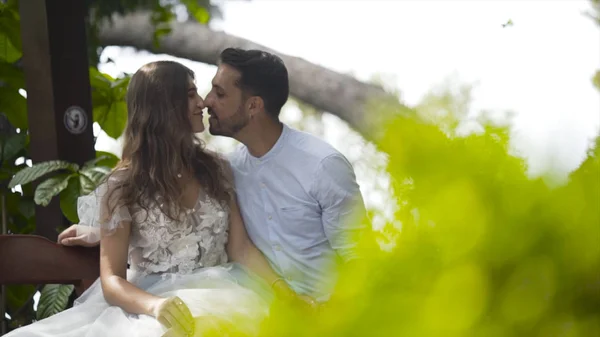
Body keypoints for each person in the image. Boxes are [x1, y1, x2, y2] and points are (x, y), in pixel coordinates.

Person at [6, 60, 308, 337]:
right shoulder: (122, 185)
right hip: (150, 300)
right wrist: (156, 306)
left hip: (226, 292)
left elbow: (241, 248)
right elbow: (111, 280)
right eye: (190, 94)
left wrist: (284, 291)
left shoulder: (216, 169)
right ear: (163, 106)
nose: (202, 102)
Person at [59, 48, 368, 303]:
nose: (205, 102)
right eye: (196, 93)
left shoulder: (320, 165)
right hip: (215, 300)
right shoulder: (229, 167)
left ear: (253, 106)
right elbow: (163, 217)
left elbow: (361, 258)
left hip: (321, 308)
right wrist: (103, 231)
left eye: (218, 93)